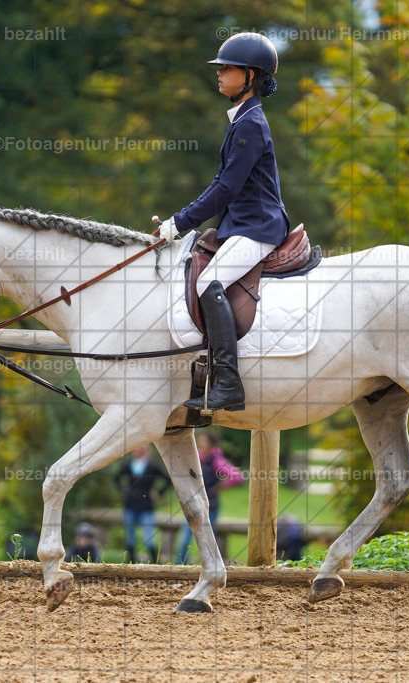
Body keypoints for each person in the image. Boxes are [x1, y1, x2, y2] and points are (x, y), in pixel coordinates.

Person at [157, 32, 290, 412]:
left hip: (259, 227)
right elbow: (222, 184)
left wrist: (179, 222)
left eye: (227, 68)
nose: (220, 74)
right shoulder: (242, 118)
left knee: (208, 282)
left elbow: (226, 189)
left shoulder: (250, 124)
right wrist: (180, 220)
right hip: (243, 223)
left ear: (250, 76)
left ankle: (228, 382)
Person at [175, 432, 244, 564]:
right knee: (184, 540)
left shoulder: (217, 461)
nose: (200, 445)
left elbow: (238, 476)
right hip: (192, 505)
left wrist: (221, 486)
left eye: (204, 442)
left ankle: (211, 566)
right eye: (199, 442)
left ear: (211, 445)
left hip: (210, 506)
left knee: (208, 541)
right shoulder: (197, 458)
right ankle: (180, 567)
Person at [114, 445, 171, 563]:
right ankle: (131, 561)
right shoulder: (128, 464)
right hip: (130, 504)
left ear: (143, 450)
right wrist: (123, 489)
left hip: (146, 506)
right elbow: (116, 477)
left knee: (148, 534)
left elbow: (168, 479)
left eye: (136, 448)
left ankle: (156, 562)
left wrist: (159, 492)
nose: (133, 451)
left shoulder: (152, 465)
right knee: (130, 535)